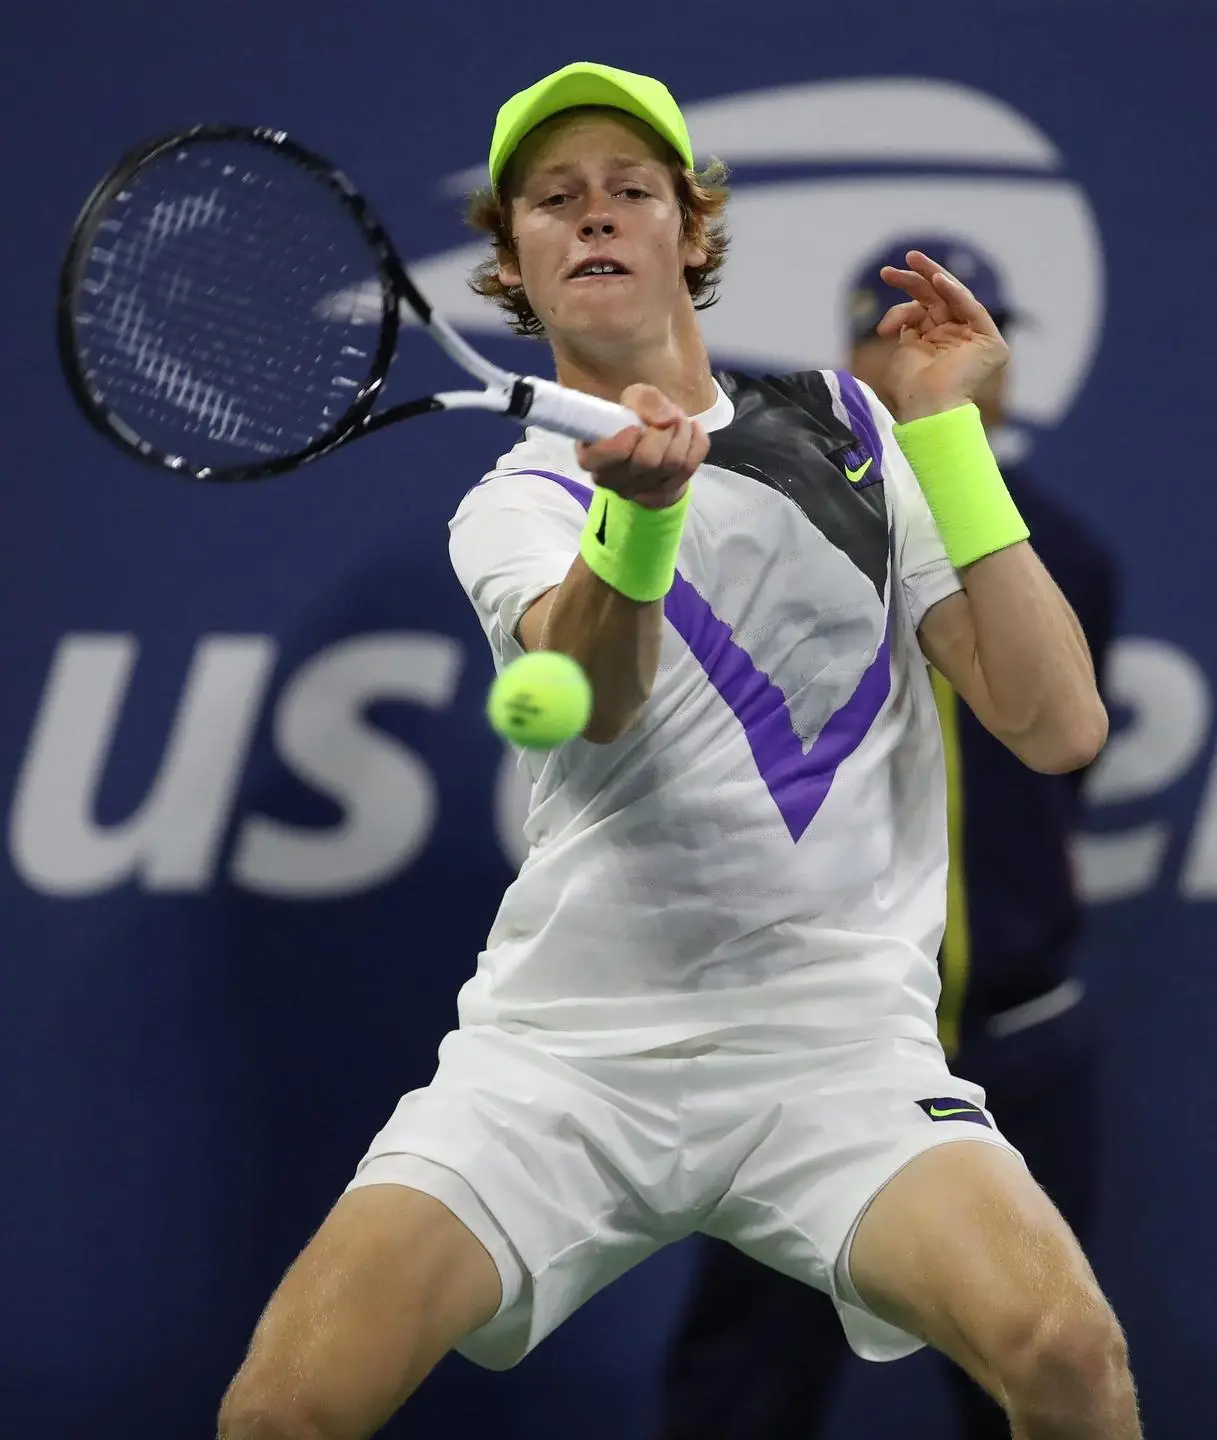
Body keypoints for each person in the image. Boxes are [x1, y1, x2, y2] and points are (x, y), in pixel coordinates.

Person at [217, 64, 1140, 1440]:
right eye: (555, 198)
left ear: (688, 236)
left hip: (835, 1054)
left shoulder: (851, 431)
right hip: (562, 1062)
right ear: (514, 261)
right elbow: (593, 698)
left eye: (630, 191)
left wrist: (942, 429)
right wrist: (636, 528)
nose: (595, 217)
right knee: (283, 1409)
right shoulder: (514, 501)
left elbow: (1056, 724)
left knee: (1067, 1356)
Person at [657, 236, 1121, 1440]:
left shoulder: (1060, 555)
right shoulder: (777, 537)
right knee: (742, 1388)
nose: (916, 355)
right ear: (845, 358)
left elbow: (1057, 748)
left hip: (1016, 1042)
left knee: (1040, 1371)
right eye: (886, 330)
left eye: (946, 333)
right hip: (813, 1046)